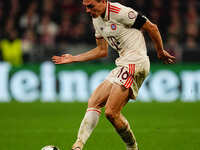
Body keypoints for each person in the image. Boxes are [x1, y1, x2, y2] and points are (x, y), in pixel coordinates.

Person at [52, 0, 176, 150]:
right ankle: (78, 145)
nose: (87, 10)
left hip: (135, 63)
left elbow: (152, 27)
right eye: (85, 6)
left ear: (103, 1)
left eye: (90, 5)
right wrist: (74, 58)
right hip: (123, 63)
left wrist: (160, 51)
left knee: (111, 112)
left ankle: (132, 148)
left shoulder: (120, 12)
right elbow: (101, 51)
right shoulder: (96, 19)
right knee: (94, 101)